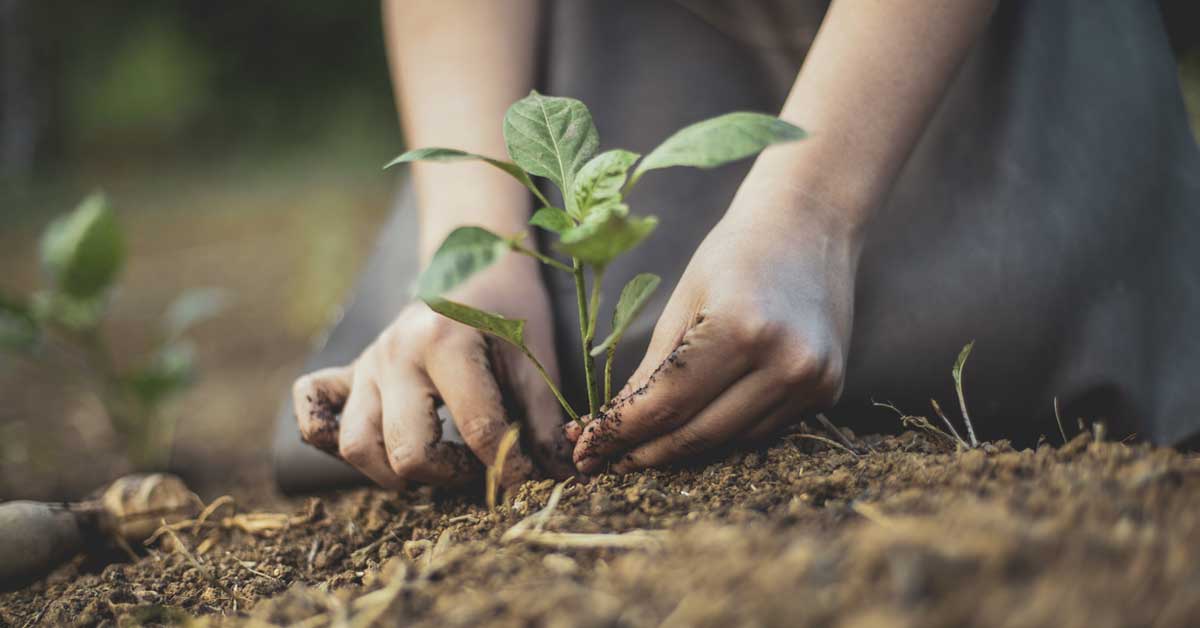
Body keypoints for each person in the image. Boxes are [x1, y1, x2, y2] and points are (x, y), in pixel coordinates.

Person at [272, 0, 1200, 493]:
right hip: (595, 39)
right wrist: (474, 249)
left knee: (1007, 327)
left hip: (951, 52)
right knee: (457, 380)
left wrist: (815, 211)